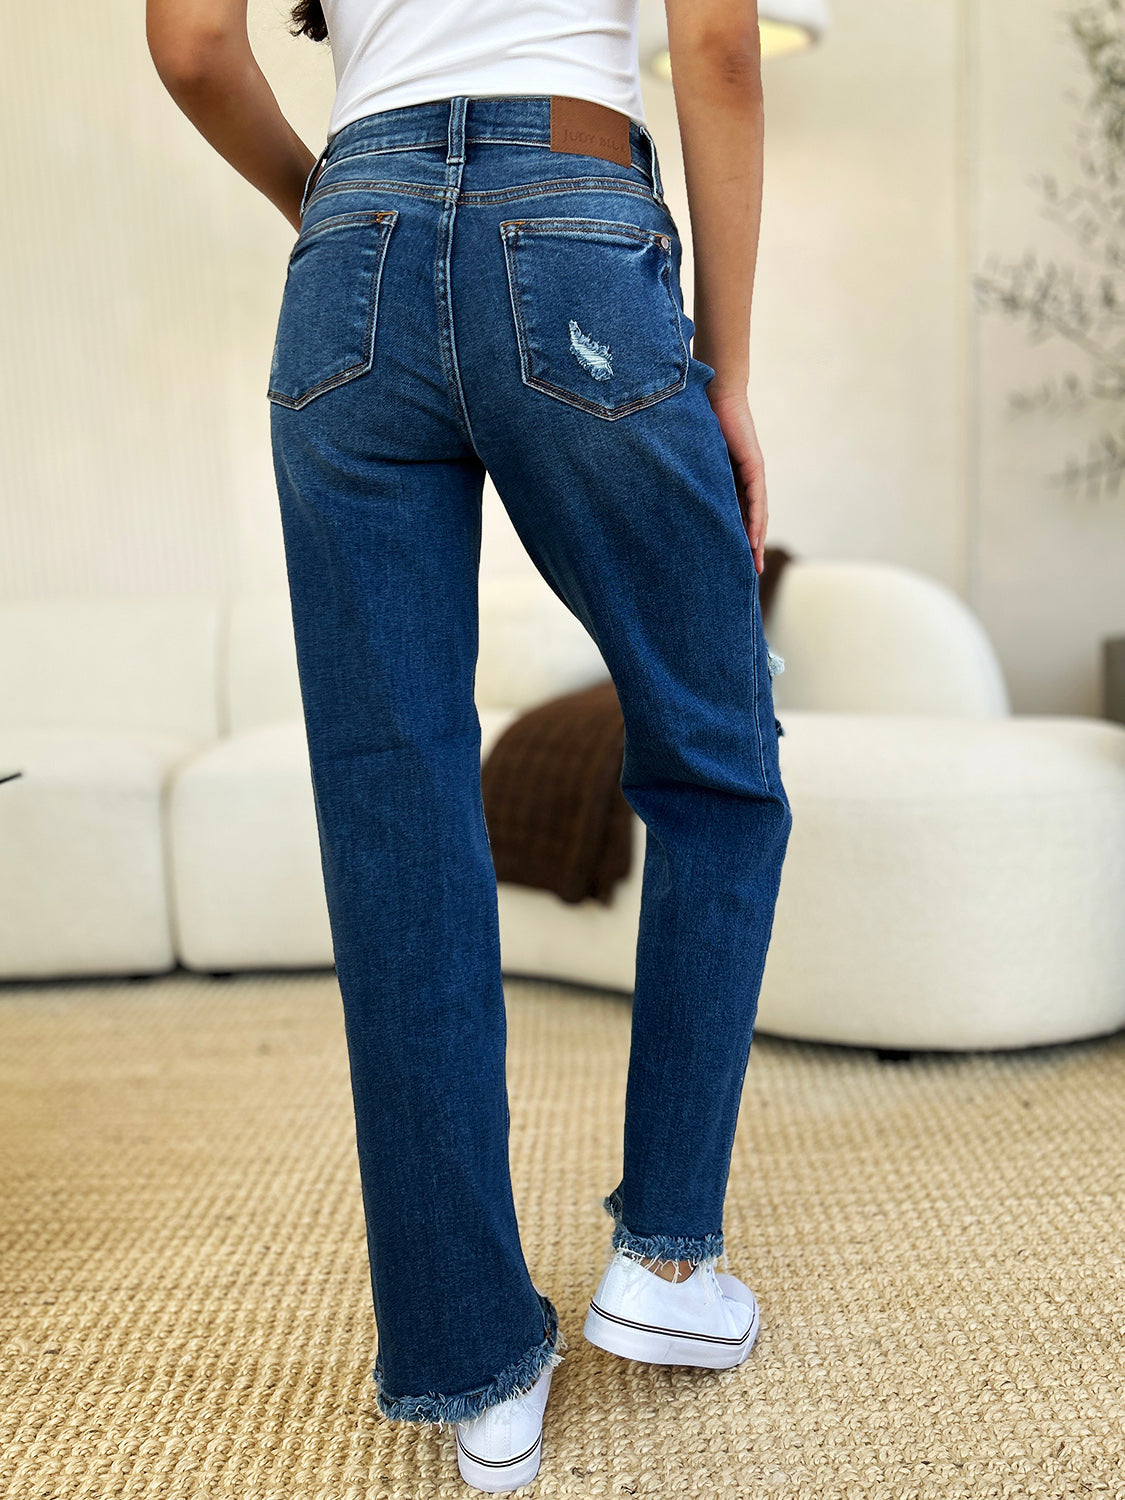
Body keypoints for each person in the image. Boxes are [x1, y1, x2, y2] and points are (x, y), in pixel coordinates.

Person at [147, 0, 791, 1490]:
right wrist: (728, 374)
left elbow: (188, 46)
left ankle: (470, 1361)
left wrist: (339, 201)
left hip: (347, 256)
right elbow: (720, 50)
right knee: (712, 752)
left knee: (396, 810)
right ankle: (669, 1270)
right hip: (568, 229)